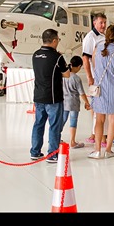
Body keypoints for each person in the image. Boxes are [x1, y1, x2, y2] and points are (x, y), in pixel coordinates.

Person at [30, 29, 70, 163]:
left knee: (38, 124)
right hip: (53, 97)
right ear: (54, 41)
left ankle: (35, 151)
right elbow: (67, 74)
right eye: (58, 39)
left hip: (38, 96)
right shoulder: (57, 57)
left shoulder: (35, 54)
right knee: (54, 126)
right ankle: (52, 154)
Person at [88, 24, 114, 159]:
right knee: (112, 121)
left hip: (100, 90)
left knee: (99, 120)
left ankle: (97, 150)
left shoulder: (96, 50)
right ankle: (108, 150)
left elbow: (95, 67)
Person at [82, 13, 107, 146]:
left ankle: (96, 133)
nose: (103, 25)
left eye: (104, 22)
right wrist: (89, 76)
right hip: (96, 77)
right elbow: (85, 57)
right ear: (94, 23)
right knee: (97, 106)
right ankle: (99, 135)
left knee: (100, 106)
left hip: (104, 76)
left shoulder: (103, 36)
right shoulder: (90, 38)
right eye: (101, 22)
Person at [61, 56, 91, 149]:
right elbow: (82, 93)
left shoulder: (64, 75)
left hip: (64, 101)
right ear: (79, 66)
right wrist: (87, 103)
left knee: (62, 120)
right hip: (73, 102)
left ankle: (56, 137)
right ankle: (72, 142)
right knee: (73, 121)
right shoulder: (76, 78)